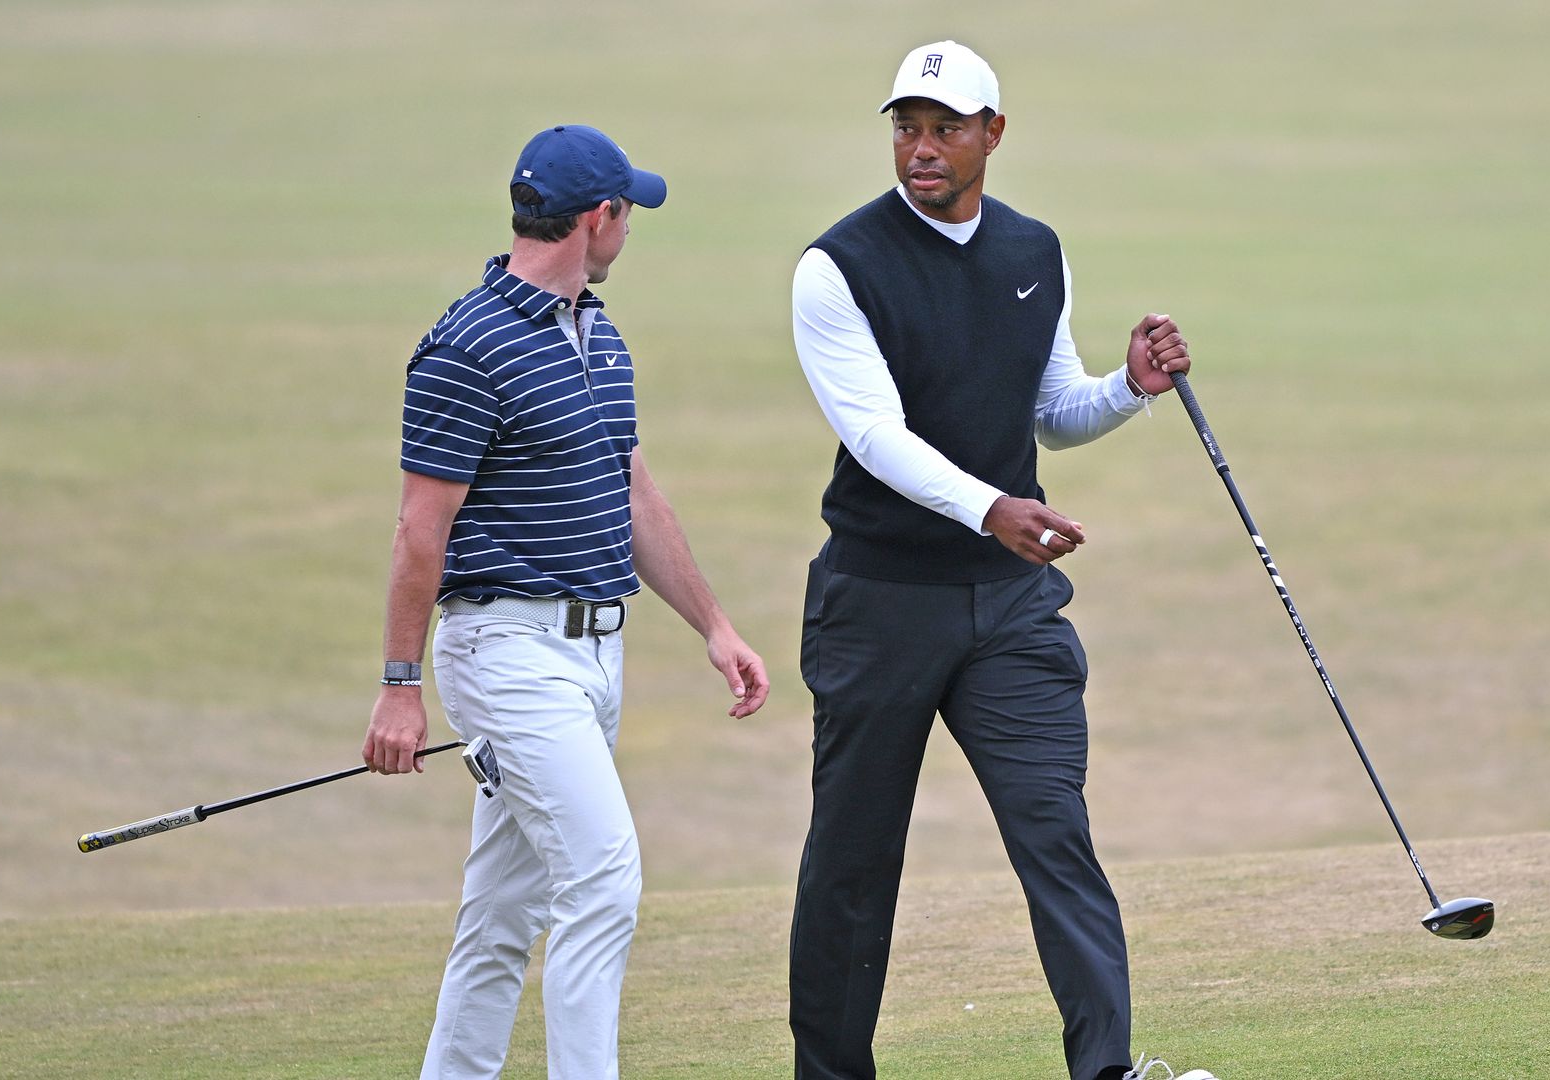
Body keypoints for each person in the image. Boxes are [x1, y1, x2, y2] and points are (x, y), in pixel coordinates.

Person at [787, 42, 1218, 1080]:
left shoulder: (1035, 251)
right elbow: (876, 437)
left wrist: (1130, 387)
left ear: (994, 133)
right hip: (880, 604)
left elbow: (1050, 412)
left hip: (1009, 606)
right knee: (853, 863)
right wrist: (991, 510)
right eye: (905, 126)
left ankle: (1106, 1070)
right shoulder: (837, 267)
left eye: (944, 128)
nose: (921, 148)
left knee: (1053, 833)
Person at [362, 123, 770, 1080]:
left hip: (594, 655)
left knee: (503, 913)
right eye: (629, 214)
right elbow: (420, 531)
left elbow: (630, 490)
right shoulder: (467, 345)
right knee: (603, 878)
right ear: (600, 217)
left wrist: (714, 626)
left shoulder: (598, 332)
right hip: (505, 654)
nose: (632, 231)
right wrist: (398, 685)